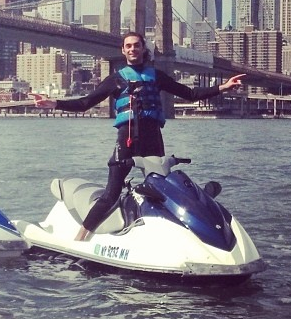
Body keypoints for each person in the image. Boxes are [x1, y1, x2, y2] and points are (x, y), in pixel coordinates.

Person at [35, 32, 246, 241]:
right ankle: (80, 238)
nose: (132, 49)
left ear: (143, 48)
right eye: (128, 46)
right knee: (111, 194)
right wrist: (55, 103)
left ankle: (169, 235)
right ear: (123, 50)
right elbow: (85, 103)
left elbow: (190, 94)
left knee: (163, 190)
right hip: (126, 141)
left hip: (153, 140)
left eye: (136, 45)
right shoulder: (116, 79)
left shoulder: (157, 76)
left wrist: (223, 87)